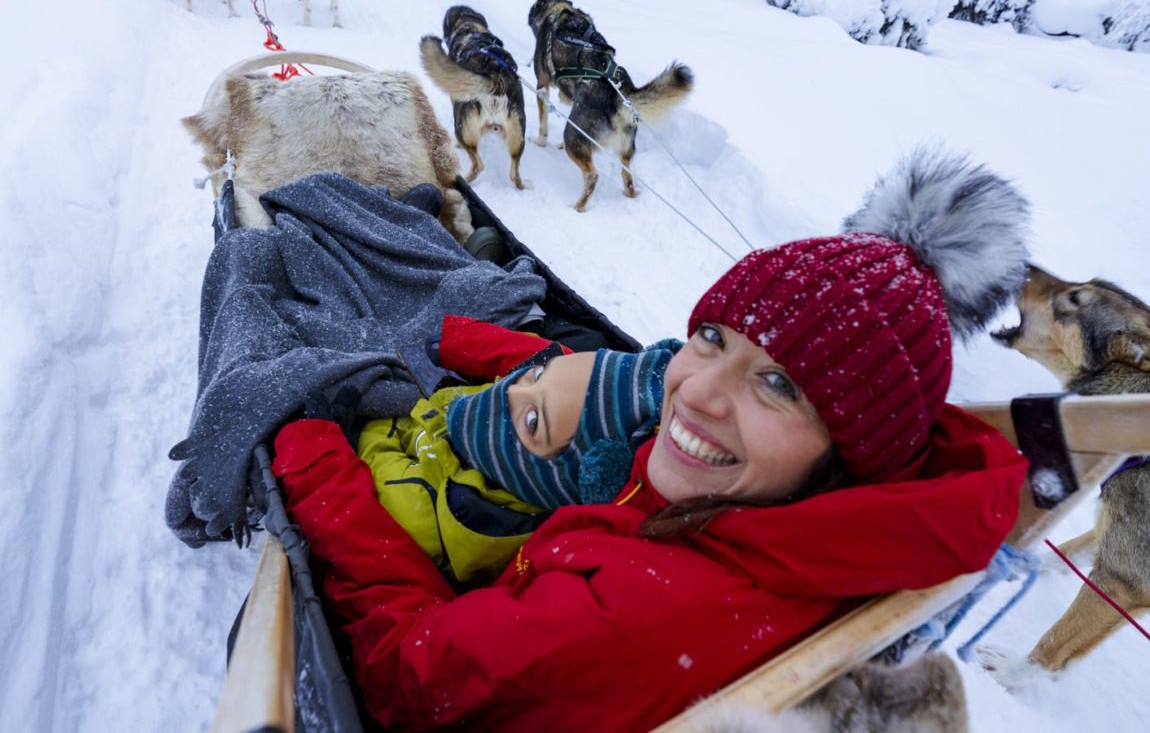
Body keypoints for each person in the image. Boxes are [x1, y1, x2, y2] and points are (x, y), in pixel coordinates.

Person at [272, 150, 1032, 731]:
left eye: (780, 385)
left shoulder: (631, 612)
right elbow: (603, 376)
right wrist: (452, 339)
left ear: (848, 452)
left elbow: (406, 672)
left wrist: (311, 454)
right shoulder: (758, 500)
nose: (694, 390)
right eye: (710, 336)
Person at [344, 315, 677, 582]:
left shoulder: (437, 515)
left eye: (533, 420)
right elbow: (553, 363)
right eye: (538, 374)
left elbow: (375, 456)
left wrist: (378, 418)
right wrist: (462, 339)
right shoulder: (520, 413)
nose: (510, 391)